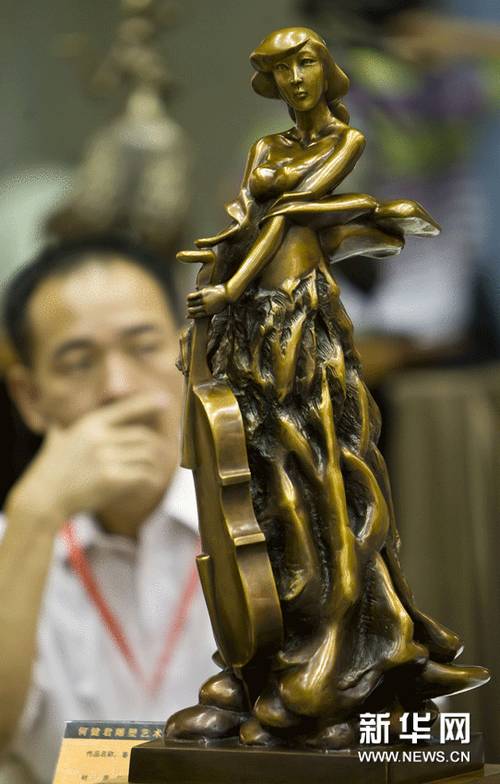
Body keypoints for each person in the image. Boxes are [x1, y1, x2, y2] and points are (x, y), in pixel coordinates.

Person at [167, 28, 489, 748]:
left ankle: (347, 648)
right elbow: (255, 219)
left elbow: (287, 216)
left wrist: (234, 282)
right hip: (249, 326)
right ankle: (262, 656)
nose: (295, 79)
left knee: (329, 483)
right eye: (280, 69)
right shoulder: (265, 148)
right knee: (261, 487)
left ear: (328, 70)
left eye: (306, 62)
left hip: (303, 322)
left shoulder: (346, 140)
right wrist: (219, 280)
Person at [0, 236, 215, 784]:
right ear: (29, 397)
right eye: (77, 363)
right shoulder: (15, 537)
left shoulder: (270, 519)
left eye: (143, 347)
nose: (118, 388)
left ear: (189, 359)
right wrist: (33, 516)